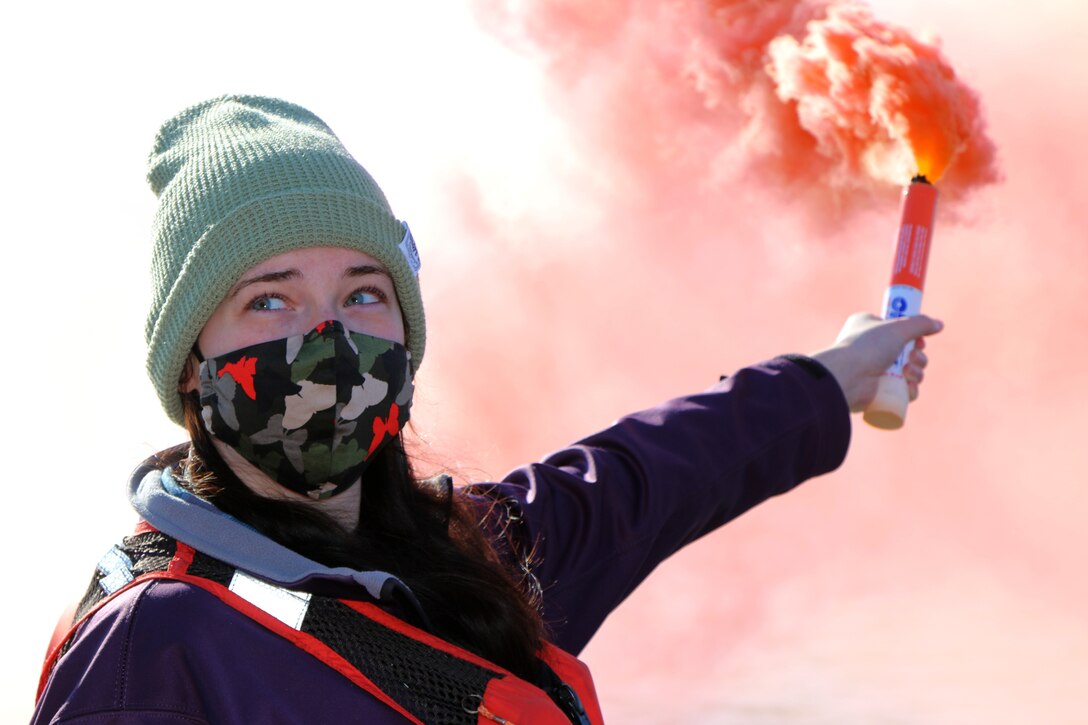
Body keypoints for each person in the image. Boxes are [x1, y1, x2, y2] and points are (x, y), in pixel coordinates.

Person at [32, 95, 941, 724]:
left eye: (362, 294)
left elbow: (649, 473)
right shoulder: (150, 646)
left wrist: (835, 375)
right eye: (269, 301)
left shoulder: (470, 565)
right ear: (193, 365)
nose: (329, 338)